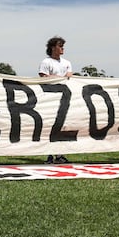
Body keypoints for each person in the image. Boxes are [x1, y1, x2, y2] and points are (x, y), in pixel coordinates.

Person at [38, 36, 73, 164]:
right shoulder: (46, 62)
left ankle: (59, 154)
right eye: (60, 46)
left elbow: (69, 76)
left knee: (62, 125)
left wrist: (61, 77)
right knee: (49, 126)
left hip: (64, 99)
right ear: (53, 47)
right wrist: (60, 77)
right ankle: (49, 154)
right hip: (50, 98)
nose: (62, 48)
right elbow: (44, 77)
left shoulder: (67, 62)